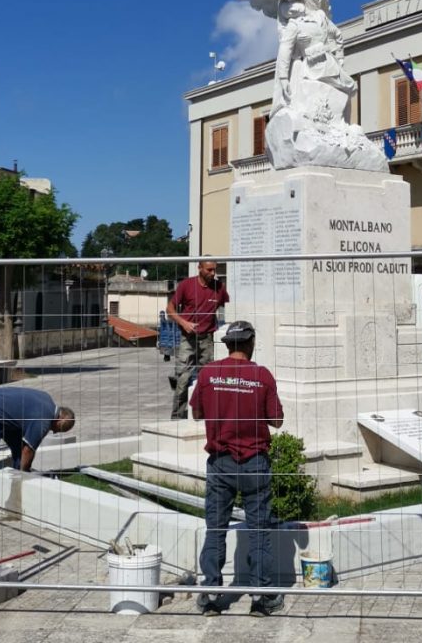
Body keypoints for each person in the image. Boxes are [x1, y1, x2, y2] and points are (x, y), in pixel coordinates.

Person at [190, 319, 285, 617]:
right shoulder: (262, 375)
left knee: (216, 528)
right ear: (251, 343)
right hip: (254, 461)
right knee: (258, 530)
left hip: (221, 463)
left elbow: (196, 412)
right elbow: (277, 420)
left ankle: (211, 594)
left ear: (227, 344)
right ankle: (262, 596)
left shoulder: (208, 374)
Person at [0, 385, 75, 517]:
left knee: (18, 448)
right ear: (60, 420)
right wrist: (25, 474)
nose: (53, 431)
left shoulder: (47, 401)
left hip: (1, 414)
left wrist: (24, 470)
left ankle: (19, 477)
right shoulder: (43, 420)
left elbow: (24, 447)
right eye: (58, 429)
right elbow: (28, 450)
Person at [165, 260, 229, 419]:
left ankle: (203, 415)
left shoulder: (219, 288)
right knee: (183, 379)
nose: (213, 273)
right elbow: (170, 309)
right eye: (209, 270)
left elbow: (229, 304)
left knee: (207, 379)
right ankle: (177, 417)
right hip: (188, 339)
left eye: (215, 270)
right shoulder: (186, 285)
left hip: (207, 339)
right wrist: (183, 323)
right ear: (199, 268)